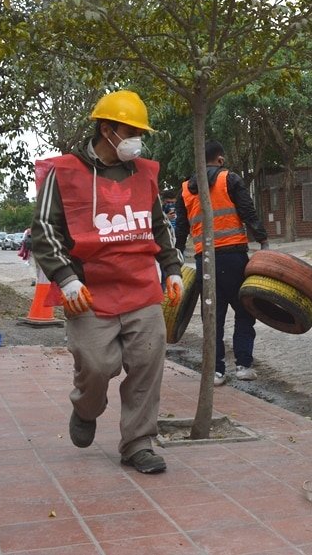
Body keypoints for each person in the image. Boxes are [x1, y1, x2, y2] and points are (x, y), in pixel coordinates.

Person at [31, 90, 183, 475]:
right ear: (106, 129)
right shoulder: (63, 172)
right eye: (129, 130)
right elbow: (44, 230)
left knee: (148, 363)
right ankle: (86, 407)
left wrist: (173, 269)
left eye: (139, 131)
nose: (137, 138)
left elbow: (159, 226)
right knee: (98, 365)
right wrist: (65, 280)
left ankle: (138, 443)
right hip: (87, 291)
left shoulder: (146, 172)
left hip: (140, 288)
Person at [174, 140, 268, 386]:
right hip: (233, 255)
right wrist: (262, 239)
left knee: (212, 315)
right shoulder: (230, 179)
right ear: (220, 159)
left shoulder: (185, 188)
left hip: (204, 259)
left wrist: (176, 254)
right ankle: (243, 366)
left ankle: (216, 372)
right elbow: (248, 211)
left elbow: (181, 227)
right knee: (245, 310)